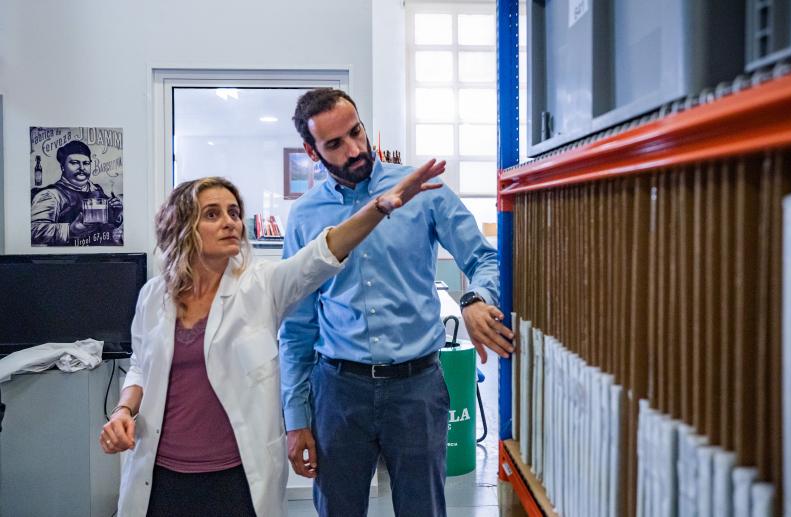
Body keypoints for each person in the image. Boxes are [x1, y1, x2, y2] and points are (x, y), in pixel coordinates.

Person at [98, 163, 445, 516]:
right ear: (183, 227)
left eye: (234, 212)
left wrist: (377, 208)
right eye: (212, 214)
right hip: (163, 474)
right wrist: (124, 410)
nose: (230, 222)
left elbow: (322, 255)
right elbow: (141, 365)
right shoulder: (154, 296)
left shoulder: (262, 285)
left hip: (236, 476)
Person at [281, 88, 516, 516]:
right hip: (338, 392)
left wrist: (475, 298)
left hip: (416, 389)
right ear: (311, 152)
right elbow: (297, 326)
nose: (354, 150)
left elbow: (484, 258)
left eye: (356, 132)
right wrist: (296, 418)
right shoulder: (305, 217)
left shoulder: (422, 190)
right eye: (335, 144)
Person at [30, 139, 124, 246]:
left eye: (86, 163)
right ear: (62, 167)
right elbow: (33, 231)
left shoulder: (97, 190)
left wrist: (116, 214)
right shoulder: (50, 195)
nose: (82, 168)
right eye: (74, 163)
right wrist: (70, 230)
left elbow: (109, 225)